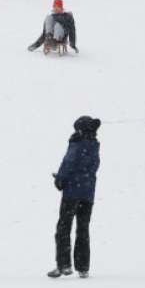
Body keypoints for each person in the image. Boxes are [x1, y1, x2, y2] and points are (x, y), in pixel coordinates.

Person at [48, 116, 100, 279]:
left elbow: (68, 163)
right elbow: (91, 168)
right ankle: (83, 268)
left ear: (80, 129)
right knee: (83, 229)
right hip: (88, 194)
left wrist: (60, 179)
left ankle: (64, 265)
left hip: (72, 192)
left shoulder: (77, 143)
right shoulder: (94, 145)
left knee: (63, 227)